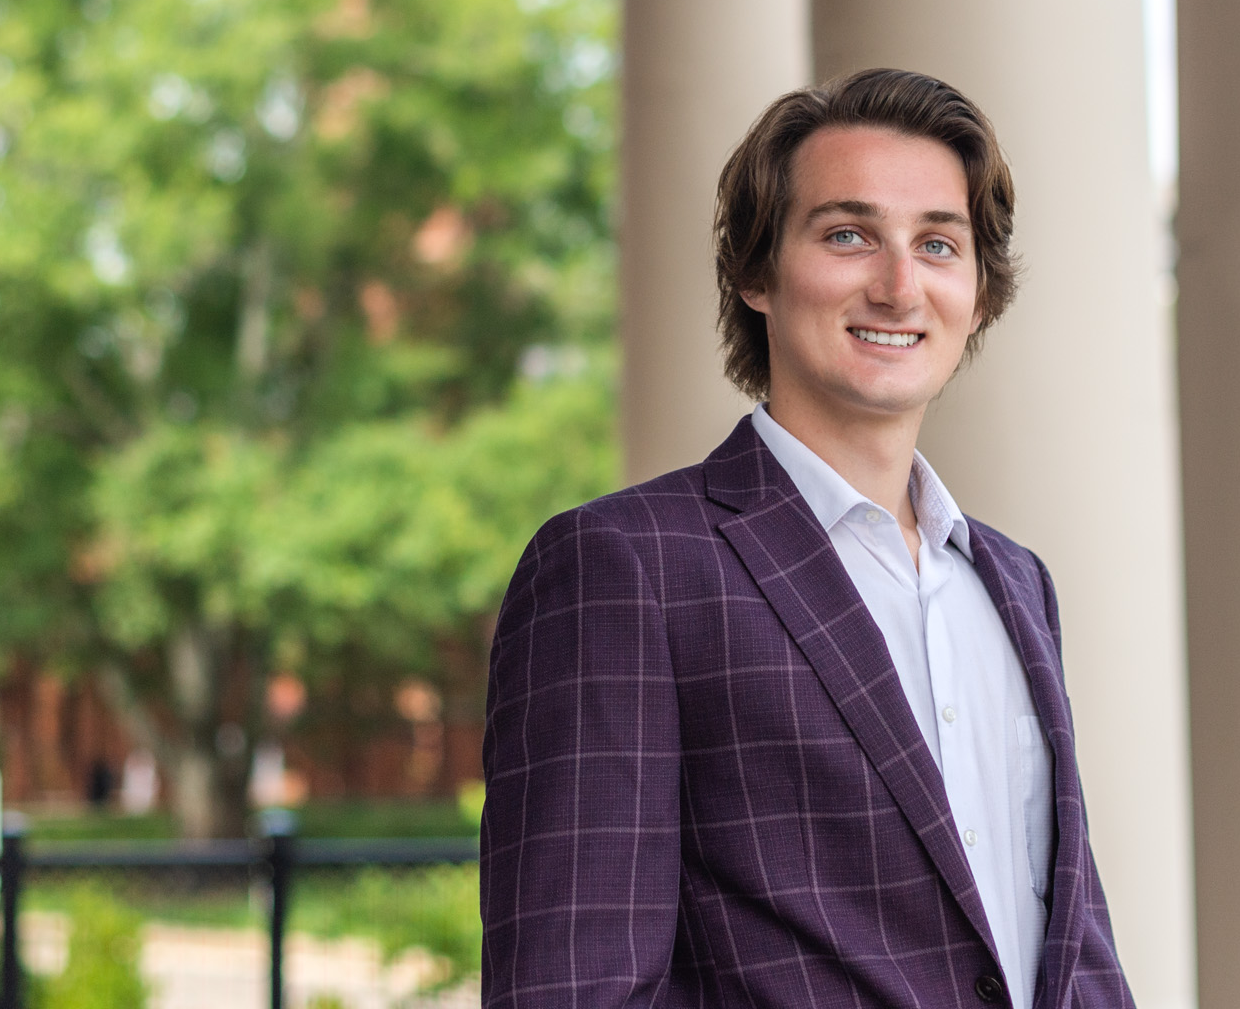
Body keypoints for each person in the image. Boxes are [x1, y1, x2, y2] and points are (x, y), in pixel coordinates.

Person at [480, 68, 1134, 1008]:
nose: (899, 284)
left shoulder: (1016, 584)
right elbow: (572, 990)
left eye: (938, 244)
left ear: (980, 294)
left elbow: (1072, 950)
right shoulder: (625, 568)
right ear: (756, 272)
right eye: (847, 235)